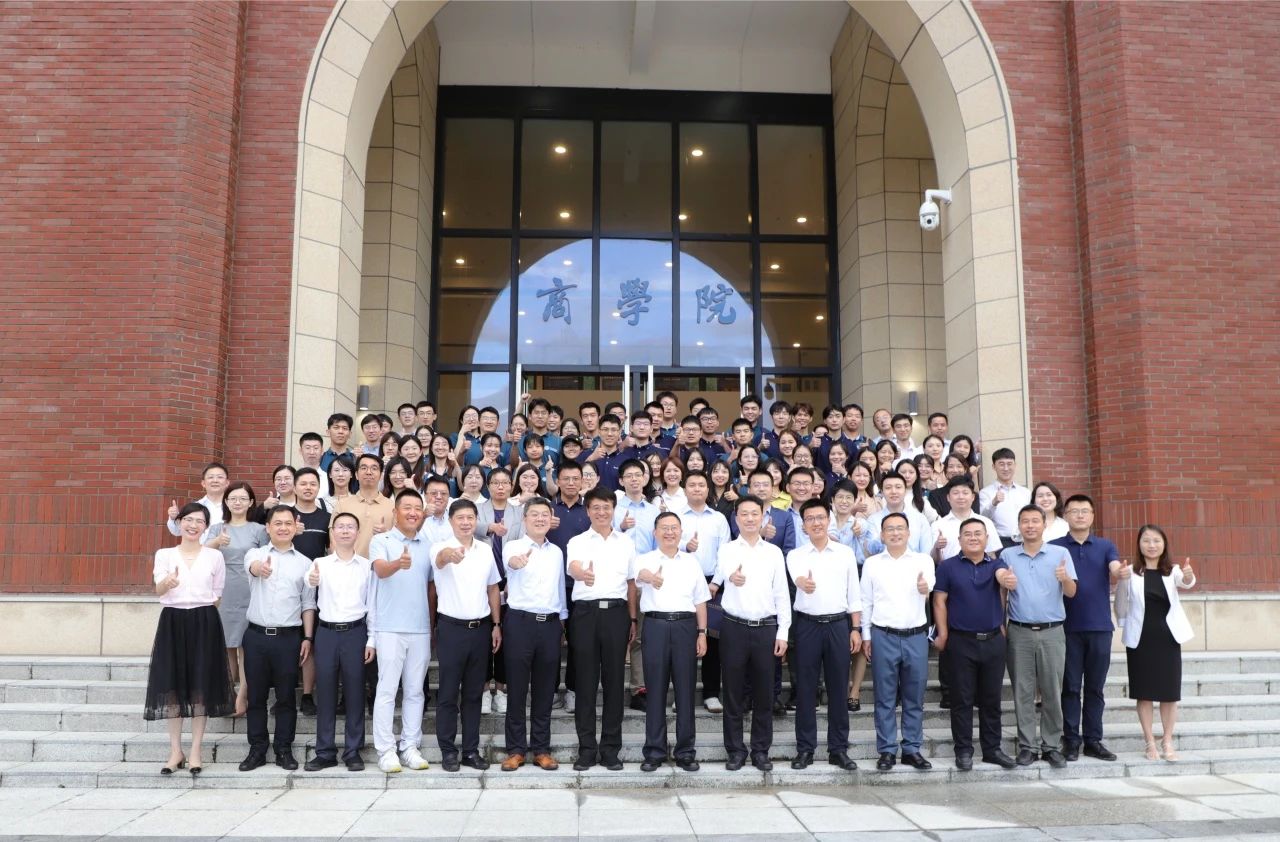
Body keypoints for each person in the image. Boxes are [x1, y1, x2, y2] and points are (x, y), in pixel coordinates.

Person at [144, 502, 235, 776]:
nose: (193, 525)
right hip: (172, 620)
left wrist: (199, 611)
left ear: (206, 527)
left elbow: (217, 594)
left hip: (204, 621)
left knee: (200, 687)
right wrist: (169, 583)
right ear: (179, 522)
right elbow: (158, 589)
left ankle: (195, 750)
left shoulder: (214, 556)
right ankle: (175, 751)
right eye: (188, 520)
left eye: (199, 521)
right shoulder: (165, 554)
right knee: (172, 686)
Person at [711, 495, 792, 772]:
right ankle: (735, 750)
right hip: (733, 627)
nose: (749, 518)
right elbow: (723, 575)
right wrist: (731, 578)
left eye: (754, 513)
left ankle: (760, 750)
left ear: (763, 517)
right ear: (736, 518)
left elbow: (781, 594)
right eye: (743, 514)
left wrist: (783, 631)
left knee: (764, 694)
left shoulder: (774, 553)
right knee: (732, 693)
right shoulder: (727, 550)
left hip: (766, 628)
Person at [932, 518, 1018, 770]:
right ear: (959, 540)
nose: (973, 538)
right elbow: (939, 601)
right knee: (962, 700)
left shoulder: (996, 564)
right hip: (960, 641)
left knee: (991, 700)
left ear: (986, 539)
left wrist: (1007, 579)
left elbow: (1003, 580)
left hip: (993, 641)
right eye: (967, 534)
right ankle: (963, 751)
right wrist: (943, 633)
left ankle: (992, 749)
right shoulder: (947, 567)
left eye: (978, 534)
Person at [631, 511, 711, 772]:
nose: (669, 532)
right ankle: (654, 751)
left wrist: (702, 632)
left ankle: (685, 751)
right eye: (664, 528)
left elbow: (700, 600)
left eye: (674, 527)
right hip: (655, 625)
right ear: (654, 532)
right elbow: (639, 575)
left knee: (686, 690)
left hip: (685, 627)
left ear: (680, 532)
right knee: (655, 690)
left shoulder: (691, 562)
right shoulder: (645, 559)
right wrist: (649, 577)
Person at [239, 505, 317, 772]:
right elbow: (252, 568)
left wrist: (307, 638)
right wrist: (259, 569)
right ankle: (257, 749)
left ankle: (284, 749)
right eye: (278, 523)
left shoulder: (305, 563)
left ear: (295, 527)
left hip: (288, 638)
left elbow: (308, 604)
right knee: (256, 697)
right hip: (256, 636)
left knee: (286, 697)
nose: (283, 528)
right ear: (268, 527)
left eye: (288, 523)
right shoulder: (256, 554)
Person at [787, 500, 862, 771]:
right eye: (810, 519)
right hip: (807, 626)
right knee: (806, 690)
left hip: (838, 625)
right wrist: (802, 583)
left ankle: (838, 749)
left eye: (820, 517)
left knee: (838, 689)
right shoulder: (796, 555)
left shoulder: (844, 553)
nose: (816, 523)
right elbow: (797, 578)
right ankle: (805, 749)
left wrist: (856, 629)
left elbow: (854, 594)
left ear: (828, 520)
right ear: (803, 525)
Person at [566, 486, 638, 771]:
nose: (601, 512)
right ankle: (586, 749)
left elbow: (631, 583)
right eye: (595, 507)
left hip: (617, 615)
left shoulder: (626, 543)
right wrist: (581, 574)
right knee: (585, 683)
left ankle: (610, 750)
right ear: (587, 511)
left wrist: (633, 619)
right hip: (585, 614)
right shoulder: (578, 541)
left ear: (613, 510)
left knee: (614, 683)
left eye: (606, 507)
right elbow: (573, 566)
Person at [1001, 504, 1077, 768]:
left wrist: (1064, 578)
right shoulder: (1008, 555)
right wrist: (1001, 623)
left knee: (1052, 690)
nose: (1030, 525)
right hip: (1019, 631)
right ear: (1019, 525)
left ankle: (1052, 746)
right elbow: (1002, 593)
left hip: (1052, 631)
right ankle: (1027, 747)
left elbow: (1071, 592)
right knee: (1022, 690)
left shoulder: (1060, 553)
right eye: (1025, 521)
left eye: (1035, 520)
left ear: (1045, 524)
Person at [430, 499, 503, 772]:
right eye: (460, 517)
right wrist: (450, 555)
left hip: (481, 629)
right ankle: (448, 751)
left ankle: (471, 751)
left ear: (476, 520)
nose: (465, 522)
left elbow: (493, 588)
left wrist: (496, 624)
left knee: (474, 695)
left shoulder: (485, 550)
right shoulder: (440, 547)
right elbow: (440, 560)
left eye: (470, 517)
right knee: (448, 694)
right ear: (451, 521)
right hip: (451, 629)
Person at [860, 511, 935, 772]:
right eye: (889, 529)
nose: (895, 533)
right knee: (885, 697)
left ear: (908, 533)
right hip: (883, 635)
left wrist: (925, 588)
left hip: (915, 636)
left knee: (914, 696)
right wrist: (866, 636)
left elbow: (929, 588)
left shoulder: (923, 560)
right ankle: (887, 750)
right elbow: (866, 602)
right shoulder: (872, 564)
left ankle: (912, 748)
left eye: (900, 528)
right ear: (882, 535)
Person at [1115, 525, 1197, 761]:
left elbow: (1186, 581)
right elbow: (1120, 606)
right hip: (1140, 639)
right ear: (1139, 545)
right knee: (1144, 693)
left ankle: (1167, 740)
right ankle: (1149, 741)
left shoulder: (1173, 571)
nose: (1151, 545)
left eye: (1156, 540)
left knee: (1169, 693)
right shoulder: (1131, 572)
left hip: (1168, 638)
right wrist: (1121, 582)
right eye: (1146, 540)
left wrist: (1189, 576)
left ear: (1164, 544)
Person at [367, 489, 434, 774]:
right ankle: (385, 750)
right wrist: (399, 563)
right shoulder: (381, 541)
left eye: (418, 508)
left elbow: (431, 587)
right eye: (407, 507)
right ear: (395, 512)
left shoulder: (428, 545)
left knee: (415, 692)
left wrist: (432, 624)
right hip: (389, 628)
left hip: (420, 629)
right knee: (386, 690)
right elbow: (381, 570)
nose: (413, 512)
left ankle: (409, 746)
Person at [303, 512, 374, 772]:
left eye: (350, 527)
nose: (345, 531)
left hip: (356, 632)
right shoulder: (320, 563)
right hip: (327, 633)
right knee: (326, 692)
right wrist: (311, 580)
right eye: (340, 526)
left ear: (358, 532)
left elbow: (372, 604)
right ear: (332, 532)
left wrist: (372, 639)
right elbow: (309, 581)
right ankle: (325, 751)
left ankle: (353, 751)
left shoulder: (366, 566)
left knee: (355, 692)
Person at [1053, 493, 1121, 762]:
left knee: (1095, 687)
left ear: (1092, 516)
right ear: (1065, 516)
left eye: (1085, 511)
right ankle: (1071, 740)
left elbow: (1114, 566)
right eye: (1074, 511)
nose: (1080, 515)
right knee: (1070, 687)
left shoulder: (1105, 546)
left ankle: (1093, 740)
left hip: (1100, 626)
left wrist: (1119, 571)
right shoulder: (1055, 547)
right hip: (1066, 627)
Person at [500, 497, 566, 771]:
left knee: (545, 689)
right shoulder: (513, 546)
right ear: (524, 519)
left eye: (544, 515)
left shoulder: (556, 552)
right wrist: (517, 562)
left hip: (549, 624)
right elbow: (511, 563)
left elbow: (560, 588)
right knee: (516, 688)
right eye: (534, 514)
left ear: (551, 519)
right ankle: (516, 750)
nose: (540, 519)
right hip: (520, 623)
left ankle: (541, 749)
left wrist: (562, 620)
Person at [207, 482, 267, 718]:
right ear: (226, 502)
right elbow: (202, 554)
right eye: (233, 498)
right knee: (227, 645)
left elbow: (267, 557)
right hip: (222, 590)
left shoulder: (258, 530)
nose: (238, 502)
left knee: (244, 645)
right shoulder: (217, 528)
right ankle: (227, 694)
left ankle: (243, 696)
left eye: (243, 498)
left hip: (249, 590)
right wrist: (216, 542)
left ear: (251, 502)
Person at [674, 470, 731, 714]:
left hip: (712, 584)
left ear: (708, 490)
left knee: (712, 640)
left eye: (701, 485)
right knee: (683, 640)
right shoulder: (675, 517)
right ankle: (681, 694)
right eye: (692, 485)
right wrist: (685, 547)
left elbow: (726, 554)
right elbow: (664, 545)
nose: (697, 488)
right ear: (685, 489)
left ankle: (711, 694)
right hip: (682, 583)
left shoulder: (719, 519)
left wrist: (716, 583)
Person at [548, 461, 589, 713]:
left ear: (582, 481)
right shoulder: (548, 511)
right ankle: (551, 690)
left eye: (576, 478)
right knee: (552, 640)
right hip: (551, 585)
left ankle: (573, 690)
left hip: (581, 586)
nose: (571, 483)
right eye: (566, 478)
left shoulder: (590, 511)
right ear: (558, 482)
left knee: (578, 641)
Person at [332, 454, 394, 558]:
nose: (369, 472)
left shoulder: (392, 506)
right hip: (349, 565)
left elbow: (400, 543)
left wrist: (387, 534)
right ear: (356, 474)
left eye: (374, 468)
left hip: (381, 566)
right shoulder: (342, 505)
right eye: (364, 468)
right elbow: (333, 540)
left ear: (381, 475)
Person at [979, 448, 1031, 547]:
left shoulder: (1025, 492)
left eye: (1009, 464)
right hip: (1000, 542)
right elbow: (983, 519)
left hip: (1025, 541)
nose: (1006, 468)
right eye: (1001, 464)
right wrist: (993, 503)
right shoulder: (985, 493)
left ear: (1015, 465)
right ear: (994, 467)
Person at [166, 462, 229, 540]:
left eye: (220, 477)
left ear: (227, 483)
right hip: (200, 548)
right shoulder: (195, 507)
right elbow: (177, 531)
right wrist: (173, 518)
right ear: (203, 483)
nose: (215, 480)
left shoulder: (234, 507)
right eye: (210, 477)